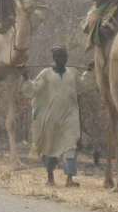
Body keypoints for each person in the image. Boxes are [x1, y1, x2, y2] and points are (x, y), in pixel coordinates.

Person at [21, 46, 95, 188]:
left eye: (65, 56)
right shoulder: (46, 74)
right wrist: (25, 78)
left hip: (70, 116)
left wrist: (89, 71)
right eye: (60, 56)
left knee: (70, 145)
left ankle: (69, 179)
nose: (63, 59)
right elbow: (33, 90)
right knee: (50, 147)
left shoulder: (72, 73)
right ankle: (50, 178)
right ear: (54, 58)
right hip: (50, 118)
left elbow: (84, 85)